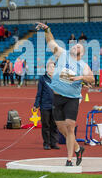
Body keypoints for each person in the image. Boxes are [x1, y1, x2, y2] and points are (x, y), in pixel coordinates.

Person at [36, 22, 94, 166]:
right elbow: (51, 42)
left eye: (78, 46)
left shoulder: (83, 65)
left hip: (72, 99)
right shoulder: (62, 54)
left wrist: (81, 77)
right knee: (62, 129)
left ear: (82, 52)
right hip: (57, 97)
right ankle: (78, 149)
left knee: (69, 126)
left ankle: (69, 159)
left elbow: (92, 79)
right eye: (74, 45)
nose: (75, 46)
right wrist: (47, 29)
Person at [33, 60, 59, 150]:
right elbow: (39, 92)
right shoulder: (42, 78)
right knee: (46, 125)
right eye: (50, 67)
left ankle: (54, 143)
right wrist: (36, 105)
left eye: (53, 67)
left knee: (54, 125)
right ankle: (46, 143)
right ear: (47, 69)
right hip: (45, 105)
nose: (52, 69)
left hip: (56, 106)